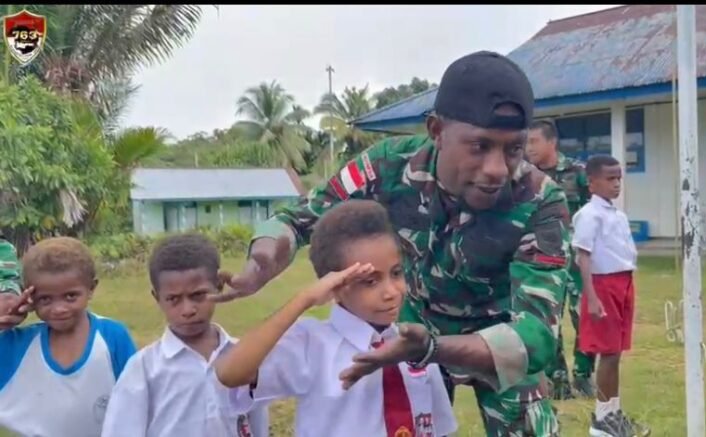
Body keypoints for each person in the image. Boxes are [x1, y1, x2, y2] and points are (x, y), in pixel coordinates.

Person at [213, 50, 572, 436]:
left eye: (514, 149)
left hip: (498, 340)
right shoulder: (389, 165)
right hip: (411, 331)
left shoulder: (541, 201)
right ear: (436, 130)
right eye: (479, 146)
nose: (497, 169)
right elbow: (299, 218)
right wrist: (262, 262)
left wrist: (434, 348)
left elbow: (536, 335)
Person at [213, 200, 458, 437]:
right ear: (335, 285)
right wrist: (304, 299)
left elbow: (437, 428)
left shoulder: (412, 344)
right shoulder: (312, 345)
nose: (391, 291)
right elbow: (231, 373)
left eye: (396, 273)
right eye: (370, 281)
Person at [100, 233, 270, 437]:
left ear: (219, 286)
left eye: (198, 295)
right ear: (157, 297)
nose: (188, 310)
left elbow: (257, 424)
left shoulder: (243, 355)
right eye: (174, 299)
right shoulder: (144, 370)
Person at [0, 237, 137, 437]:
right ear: (29, 297)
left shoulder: (112, 337)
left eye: (70, 296)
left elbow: (138, 402)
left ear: (91, 288)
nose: (59, 309)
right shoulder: (16, 345)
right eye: (45, 299)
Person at [572, 155, 649, 436]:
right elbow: (583, 256)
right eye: (610, 179)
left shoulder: (618, 215)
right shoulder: (589, 215)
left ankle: (613, 412)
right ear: (592, 183)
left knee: (616, 352)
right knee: (608, 352)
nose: (616, 184)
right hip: (603, 285)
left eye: (619, 178)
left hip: (623, 283)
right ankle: (602, 419)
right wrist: (592, 297)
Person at [525, 119, 596, 399]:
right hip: (542, 259)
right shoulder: (524, 175)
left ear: (551, 142)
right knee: (547, 318)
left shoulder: (578, 172)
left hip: (577, 259)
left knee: (584, 317)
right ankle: (558, 381)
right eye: (526, 142)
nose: (529, 148)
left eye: (534, 141)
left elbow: (596, 212)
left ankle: (583, 375)